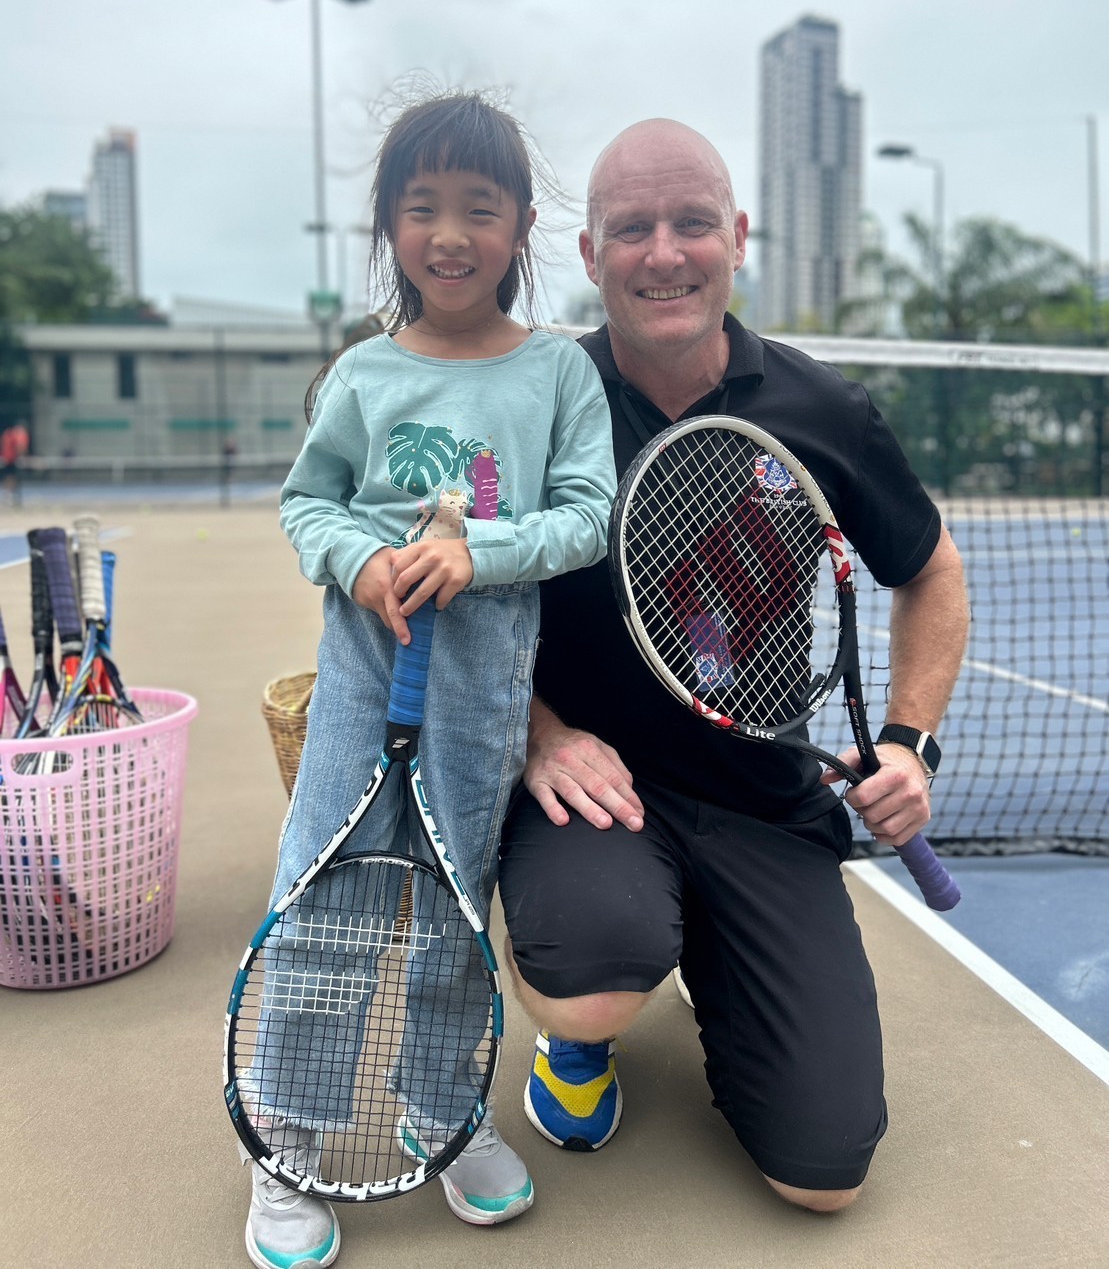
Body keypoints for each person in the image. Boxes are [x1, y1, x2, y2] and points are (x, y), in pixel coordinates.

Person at [498, 118, 970, 1213]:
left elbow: (931, 570)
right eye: (631, 229)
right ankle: (577, 1038)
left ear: (739, 237)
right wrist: (539, 736)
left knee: (823, 1176)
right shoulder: (533, 407)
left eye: (692, 223)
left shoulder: (823, 411)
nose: (663, 253)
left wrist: (908, 742)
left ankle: (717, 948)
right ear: (590, 255)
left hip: (764, 804)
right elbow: (468, 606)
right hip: (597, 796)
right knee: (589, 980)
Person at [240, 92, 616, 1269]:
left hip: (482, 694)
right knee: (328, 899)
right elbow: (307, 503)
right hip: (364, 678)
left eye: (478, 208)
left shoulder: (557, 374)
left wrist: (477, 551)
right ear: (388, 224)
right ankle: (286, 1137)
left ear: (520, 228)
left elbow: (587, 516)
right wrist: (358, 563)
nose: (449, 234)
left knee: (458, 905)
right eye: (422, 207)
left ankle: (439, 1110)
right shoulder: (360, 373)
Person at [1, 421, 30, 506]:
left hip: (6, 458)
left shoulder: (5, 435)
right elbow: (20, 447)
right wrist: (23, 456)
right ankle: (11, 495)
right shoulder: (14, 435)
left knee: (8, 477)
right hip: (12, 459)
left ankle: (8, 495)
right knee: (12, 477)